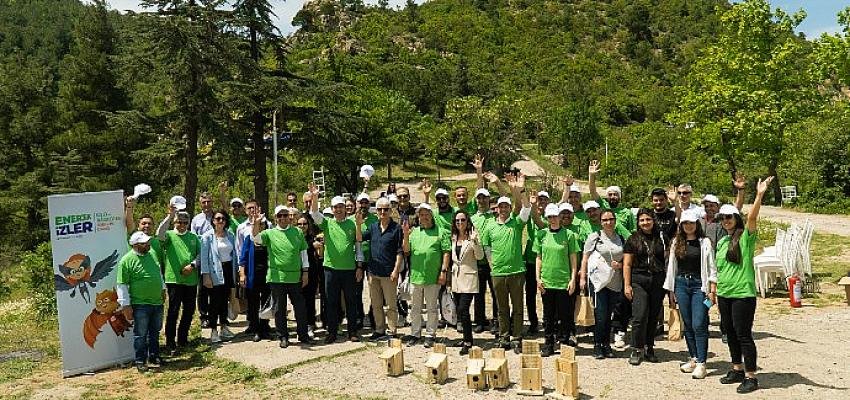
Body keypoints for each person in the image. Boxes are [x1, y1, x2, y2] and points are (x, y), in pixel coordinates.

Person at [715, 176, 773, 394]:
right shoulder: (721, 242)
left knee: (743, 334)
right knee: (729, 332)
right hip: (724, 293)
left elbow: (753, 217)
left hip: (743, 294)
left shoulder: (745, 238)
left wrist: (759, 195)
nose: (726, 220)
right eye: (723, 218)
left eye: (729, 217)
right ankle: (737, 368)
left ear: (736, 218)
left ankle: (751, 376)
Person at [663, 209, 717, 379]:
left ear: (697, 224)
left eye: (691, 223)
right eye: (685, 223)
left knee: (699, 323)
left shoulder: (704, 242)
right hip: (681, 284)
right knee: (687, 323)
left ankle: (702, 362)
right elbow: (672, 267)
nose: (688, 226)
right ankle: (693, 357)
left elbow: (711, 266)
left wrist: (712, 289)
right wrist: (670, 290)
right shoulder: (676, 242)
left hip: (698, 285)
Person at [481, 173, 531, 350]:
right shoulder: (490, 225)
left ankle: (516, 337)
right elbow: (486, 246)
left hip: (517, 271)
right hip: (498, 273)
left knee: (518, 308)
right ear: (497, 208)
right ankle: (504, 337)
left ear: (510, 208)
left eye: (506, 206)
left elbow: (526, 208)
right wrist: (491, 263)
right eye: (500, 206)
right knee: (502, 309)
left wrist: (521, 189)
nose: (502, 209)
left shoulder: (516, 223)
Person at [252, 205, 313, 348]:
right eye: (280, 216)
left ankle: (303, 335)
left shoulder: (297, 232)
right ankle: (283, 336)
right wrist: (256, 223)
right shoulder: (269, 233)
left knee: (300, 307)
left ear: (289, 217)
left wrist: (305, 272)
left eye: (285, 215)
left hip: (295, 277)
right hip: (277, 277)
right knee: (280, 309)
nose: (283, 218)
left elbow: (303, 253)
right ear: (275, 218)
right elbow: (255, 238)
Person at [309, 186, 362, 343]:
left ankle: (352, 331)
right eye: (336, 207)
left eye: (341, 207)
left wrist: (359, 266)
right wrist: (314, 197)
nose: (338, 210)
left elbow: (358, 244)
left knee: (351, 301)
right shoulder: (327, 223)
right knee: (331, 302)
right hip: (331, 269)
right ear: (332, 209)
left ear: (346, 209)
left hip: (349, 269)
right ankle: (331, 332)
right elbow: (314, 214)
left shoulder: (353, 224)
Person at [402, 202, 451, 348]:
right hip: (416, 276)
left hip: (433, 276)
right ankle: (415, 333)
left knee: (431, 307)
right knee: (415, 308)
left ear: (432, 215)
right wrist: (405, 235)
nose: (424, 217)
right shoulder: (414, 232)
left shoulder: (441, 232)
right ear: (418, 217)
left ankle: (430, 334)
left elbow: (446, 252)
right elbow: (406, 251)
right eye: (421, 215)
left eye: (427, 214)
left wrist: (443, 271)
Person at [623, 208, 668, 365]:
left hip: (657, 280)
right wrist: (627, 285)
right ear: (638, 222)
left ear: (653, 220)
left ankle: (649, 347)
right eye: (642, 220)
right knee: (639, 315)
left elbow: (667, 259)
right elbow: (627, 264)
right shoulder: (632, 239)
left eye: (648, 219)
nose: (645, 222)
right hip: (639, 279)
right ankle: (636, 348)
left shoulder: (661, 237)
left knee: (653, 316)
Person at [117, 231, 166, 372]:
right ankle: (140, 360)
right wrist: (125, 305)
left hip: (156, 302)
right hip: (140, 304)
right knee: (141, 334)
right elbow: (122, 285)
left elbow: (158, 272)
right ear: (136, 245)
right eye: (145, 243)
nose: (148, 245)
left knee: (155, 331)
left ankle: (154, 356)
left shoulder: (152, 254)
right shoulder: (126, 261)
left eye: (148, 242)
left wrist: (162, 288)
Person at [535, 204, 580, 357]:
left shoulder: (569, 235)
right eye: (549, 217)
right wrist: (538, 278)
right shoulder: (541, 235)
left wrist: (573, 279)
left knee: (565, 315)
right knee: (548, 316)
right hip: (547, 281)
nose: (553, 219)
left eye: (555, 216)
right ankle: (549, 343)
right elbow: (539, 258)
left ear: (560, 217)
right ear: (547, 218)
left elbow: (573, 259)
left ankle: (564, 341)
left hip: (563, 281)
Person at [580, 209, 626, 359]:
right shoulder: (595, 237)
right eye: (605, 220)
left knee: (609, 315)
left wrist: (620, 265)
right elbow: (585, 258)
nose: (608, 222)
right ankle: (598, 345)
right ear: (600, 222)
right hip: (598, 282)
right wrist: (582, 278)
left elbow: (625, 258)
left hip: (614, 281)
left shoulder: (620, 238)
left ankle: (607, 345)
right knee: (600, 314)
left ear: (615, 220)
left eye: (611, 219)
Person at [356, 197, 403, 341]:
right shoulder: (373, 227)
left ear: (390, 211)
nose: (383, 212)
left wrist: (396, 270)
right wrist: (358, 225)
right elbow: (359, 238)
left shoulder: (396, 228)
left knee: (391, 305)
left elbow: (399, 251)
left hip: (389, 273)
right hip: (373, 273)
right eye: (380, 209)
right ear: (376, 211)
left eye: (386, 209)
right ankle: (379, 329)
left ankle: (392, 331)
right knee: (376, 305)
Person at [157, 207, 201, 352]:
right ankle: (170, 341)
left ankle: (182, 339)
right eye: (179, 222)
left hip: (191, 279)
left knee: (189, 310)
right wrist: (169, 217)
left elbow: (201, 255)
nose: (182, 225)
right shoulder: (169, 235)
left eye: (184, 223)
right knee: (173, 311)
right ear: (174, 222)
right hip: (174, 279)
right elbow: (159, 233)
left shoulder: (194, 237)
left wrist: (193, 265)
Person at [200, 210, 238, 343]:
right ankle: (213, 331)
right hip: (214, 271)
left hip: (228, 270)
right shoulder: (207, 237)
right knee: (214, 302)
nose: (220, 221)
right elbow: (204, 258)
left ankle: (224, 327)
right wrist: (206, 275)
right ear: (213, 221)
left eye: (223, 219)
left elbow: (234, 254)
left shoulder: (231, 235)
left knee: (224, 301)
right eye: (217, 219)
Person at [450, 209, 484, 355]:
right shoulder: (453, 237)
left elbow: (480, 256)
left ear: (467, 221)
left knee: (463, 310)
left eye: (463, 220)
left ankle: (469, 341)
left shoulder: (473, 237)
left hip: (469, 279)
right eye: (457, 221)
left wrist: (476, 242)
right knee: (460, 311)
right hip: (456, 279)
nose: (460, 223)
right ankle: (465, 338)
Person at [238, 200, 272, 342]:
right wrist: (242, 273)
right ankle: (256, 329)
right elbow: (243, 257)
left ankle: (265, 327)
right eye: (258, 224)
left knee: (266, 301)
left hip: (268, 274)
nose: (260, 226)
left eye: (262, 224)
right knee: (253, 302)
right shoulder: (248, 238)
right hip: (253, 274)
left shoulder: (270, 237)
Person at [470, 187, 498, 334]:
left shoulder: (495, 217)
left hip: (493, 261)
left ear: (489, 199)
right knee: (478, 293)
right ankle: (480, 321)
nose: (482, 201)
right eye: (479, 198)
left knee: (495, 293)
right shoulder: (473, 218)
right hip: (478, 261)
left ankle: (496, 320)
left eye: (484, 198)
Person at [524, 190, 551, 335]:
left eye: (544, 199)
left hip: (545, 262)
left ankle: (548, 321)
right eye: (539, 199)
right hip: (530, 260)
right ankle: (533, 322)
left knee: (546, 294)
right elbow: (527, 211)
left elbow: (537, 219)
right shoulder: (530, 215)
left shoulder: (551, 219)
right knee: (530, 295)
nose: (541, 202)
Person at [588, 160, 637, 232]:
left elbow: (633, 231)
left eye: (615, 194)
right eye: (610, 194)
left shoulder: (627, 213)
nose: (612, 197)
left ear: (620, 197)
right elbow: (592, 191)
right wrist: (592, 175)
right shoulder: (603, 206)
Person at [192, 191, 215, 328]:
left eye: (208, 202)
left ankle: (215, 314)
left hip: (217, 256)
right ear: (200, 203)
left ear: (212, 202)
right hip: (202, 256)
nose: (206, 205)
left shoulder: (217, 217)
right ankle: (204, 316)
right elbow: (194, 240)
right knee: (202, 289)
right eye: (203, 202)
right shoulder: (196, 220)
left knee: (216, 287)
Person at [298, 214, 322, 335]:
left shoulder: (313, 237)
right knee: (298, 300)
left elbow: (319, 254)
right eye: (300, 224)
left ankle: (310, 324)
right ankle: (301, 324)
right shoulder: (295, 237)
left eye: (304, 224)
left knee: (310, 299)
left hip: (311, 271)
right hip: (296, 271)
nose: (302, 226)